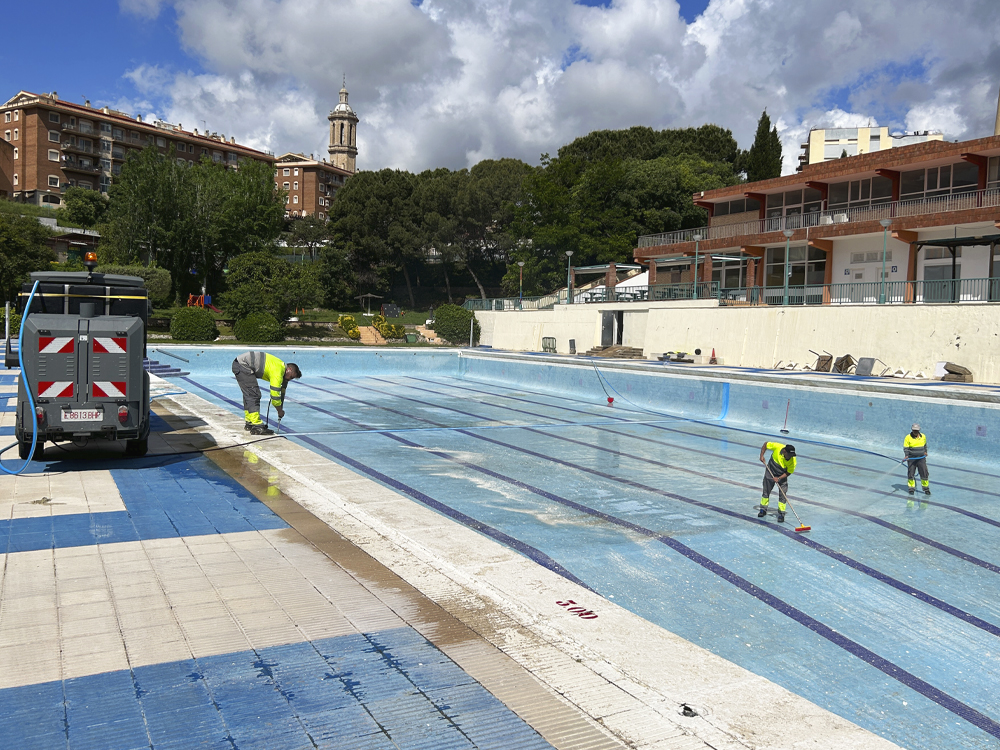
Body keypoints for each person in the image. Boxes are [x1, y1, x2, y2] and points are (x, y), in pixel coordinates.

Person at [232, 351, 301, 435]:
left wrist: (284, 385)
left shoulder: (279, 365)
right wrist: (280, 411)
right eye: (291, 377)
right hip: (243, 365)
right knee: (253, 394)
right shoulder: (278, 371)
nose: (289, 379)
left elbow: (281, 389)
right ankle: (257, 425)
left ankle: (250, 422)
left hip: (240, 364)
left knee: (249, 394)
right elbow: (275, 396)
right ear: (289, 369)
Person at [757, 442, 797, 522]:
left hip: (782, 474)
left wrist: (779, 478)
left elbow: (788, 472)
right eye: (789, 454)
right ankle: (763, 509)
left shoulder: (793, 461)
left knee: (783, 494)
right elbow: (766, 444)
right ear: (784, 451)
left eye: (792, 455)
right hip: (770, 471)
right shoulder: (778, 447)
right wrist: (761, 455)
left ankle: (781, 513)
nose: (791, 457)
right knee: (766, 491)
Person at [904, 423, 930, 496]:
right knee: (911, 473)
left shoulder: (923, 436)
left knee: (924, 473)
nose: (915, 432)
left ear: (919, 430)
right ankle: (911, 489)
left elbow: (925, 445)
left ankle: (926, 489)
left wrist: (925, 452)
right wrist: (906, 455)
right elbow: (906, 448)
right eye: (914, 430)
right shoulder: (908, 437)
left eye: (916, 430)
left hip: (921, 458)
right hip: (912, 458)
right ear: (912, 430)